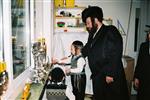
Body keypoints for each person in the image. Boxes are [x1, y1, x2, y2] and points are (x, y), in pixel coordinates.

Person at [81, 6, 129, 100]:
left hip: (109, 77)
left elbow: (115, 52)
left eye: (88, 23)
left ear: (95, 20)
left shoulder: (110, 30)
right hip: (98, 77)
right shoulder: (92, 35)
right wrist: (75, 54)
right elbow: (86, 49)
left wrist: (110, 73)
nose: (87, 26)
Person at [133, 30, 150, 100]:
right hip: (143, 78)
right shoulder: (143, 46)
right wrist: (136, 77)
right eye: (149, 34)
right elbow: (139, 63)